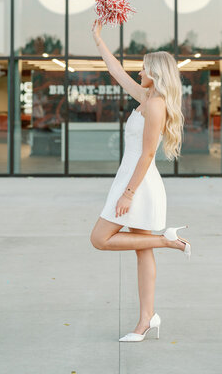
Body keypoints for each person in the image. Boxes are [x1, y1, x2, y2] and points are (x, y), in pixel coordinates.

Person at [90, 19, 191, 342]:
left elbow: (148, 154)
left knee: (100, 238)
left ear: (156, 73)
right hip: (132, 179)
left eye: (144, 69)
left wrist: (128, 193)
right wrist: (97, 39)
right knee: (141, 250)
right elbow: (117, 71)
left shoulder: (157, 105)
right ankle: (147, 319)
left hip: (139, 184)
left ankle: (166, 240)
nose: (138, 73)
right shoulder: (145, 97)